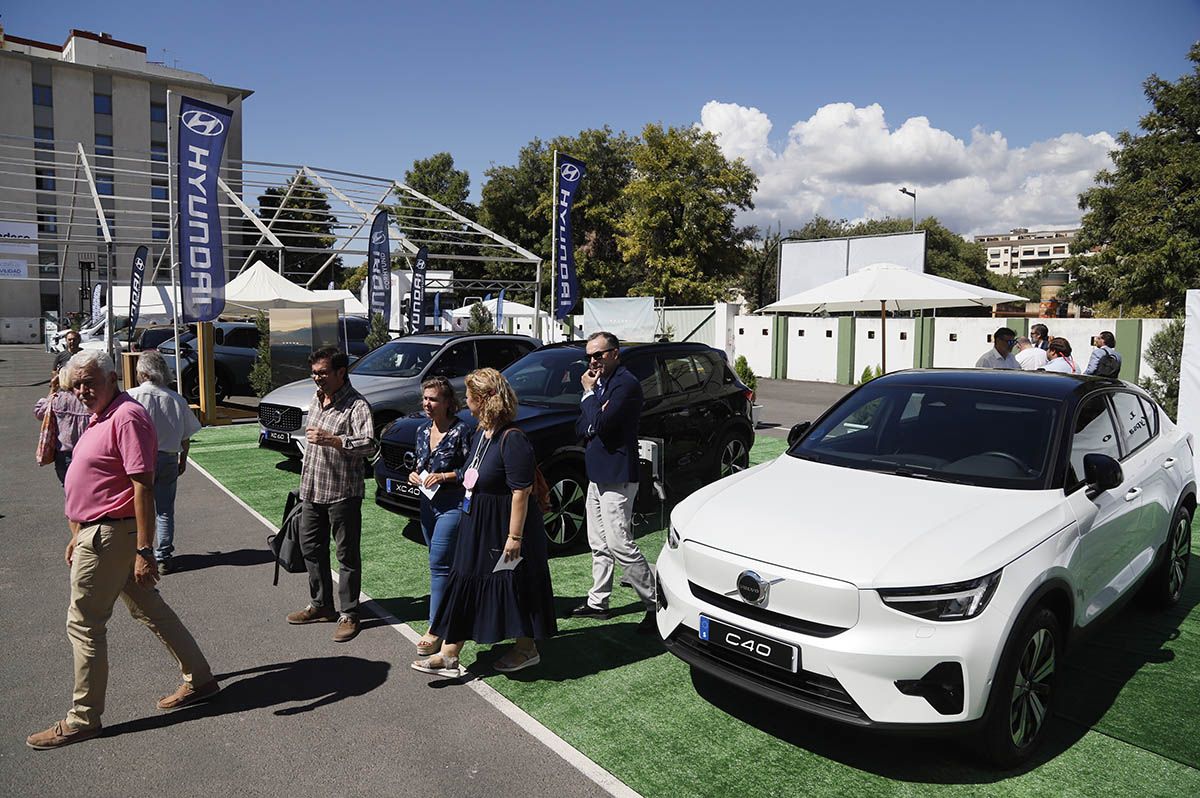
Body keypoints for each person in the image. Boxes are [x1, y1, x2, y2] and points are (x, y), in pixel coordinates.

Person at [27, 350, 218, 751]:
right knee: (152, 610)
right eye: (76, 384)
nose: (82, 390)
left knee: (84, 624)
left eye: (89, 382)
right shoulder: (103, 413)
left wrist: (145, 550)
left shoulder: (127, 416)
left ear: (113, 377)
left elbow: (142, 486)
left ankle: (83, 719)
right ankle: (200, 679)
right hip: (98, 533)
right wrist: (76, 532)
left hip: (111, 537)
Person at [412, 368, 557, 678]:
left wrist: (514, 538)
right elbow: (470, 473)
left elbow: (521, 491)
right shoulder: (481, 432)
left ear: (483, 400)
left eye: (469, 396)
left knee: (514, 586)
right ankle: (450, 653)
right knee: (465, 580)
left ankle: (527, 648)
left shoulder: (512, 437)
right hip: (477, 520)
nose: (464, 401)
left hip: (505, 525)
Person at [287, 346, 376, 643]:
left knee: (346, 555)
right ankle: (321, 604)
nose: (317, 378)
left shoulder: (357, 406)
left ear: (341, 372)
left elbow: (369, 446)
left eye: (323, 373)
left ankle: (350, 613)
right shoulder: (316, 399)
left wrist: (335, 440)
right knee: (311, 549)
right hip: (312, 489)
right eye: (314, 373)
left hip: (342, 493)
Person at [571, 331, 657, 633]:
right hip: (597, 473)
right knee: (598, 543)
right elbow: (583, 426)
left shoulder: (625, 384)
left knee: (621, 543)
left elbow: (602, 425)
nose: (593, 361)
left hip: (618, 474)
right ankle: (598, 602)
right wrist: (592, 404)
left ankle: (655, 604)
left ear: (615, 353)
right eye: (589, 356)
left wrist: (589, 397)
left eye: (599, 354)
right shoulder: (602, 384)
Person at [407, 376, 471, 656]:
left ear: (448, 402)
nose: (427, 404)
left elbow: (471, 472)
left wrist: (444, 476)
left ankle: (435, 629)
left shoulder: (462, 431)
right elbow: (421, 463)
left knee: (438, 564)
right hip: (427, 505)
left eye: (433, 399)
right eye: (425, 398)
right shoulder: (422, 430)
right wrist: (413, 475)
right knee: (441, 563)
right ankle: (455, 614)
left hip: (452, 505)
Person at [128, 351, 202, 574]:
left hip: (139, 459)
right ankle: (163, 555)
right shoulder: (176, 399)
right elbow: (186, 436)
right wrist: (183, 459)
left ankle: (140, 550)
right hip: (169, 456)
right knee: (165, 509)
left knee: (137, 507)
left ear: (142, 372)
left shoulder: (130, 396)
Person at [34, 367, 90, 486]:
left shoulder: (56, 399)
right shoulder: (85, 399)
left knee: (69, 491)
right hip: (86, 452)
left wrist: (53, 388)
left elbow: (40, 412)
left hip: (63, 454)